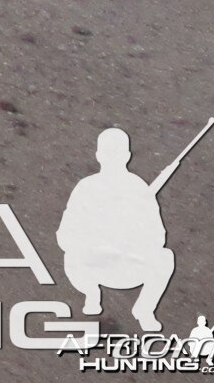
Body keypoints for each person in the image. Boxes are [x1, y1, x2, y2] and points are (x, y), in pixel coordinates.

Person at [58, 128, 177, 332]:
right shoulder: (86, 187)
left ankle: (144, 309)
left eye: (117, 153)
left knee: (165, 258)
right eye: (108, 153)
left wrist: (133, 235)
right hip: (92, 266)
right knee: (71, 256)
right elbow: (65, 234)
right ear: (98, 156)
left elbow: (158, 236)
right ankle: (91, 294)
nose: (112, 158)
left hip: (129, 265)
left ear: (127, 156)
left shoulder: (138, 189)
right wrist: (94, 238)